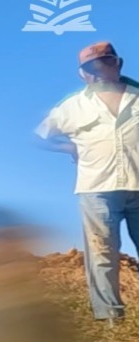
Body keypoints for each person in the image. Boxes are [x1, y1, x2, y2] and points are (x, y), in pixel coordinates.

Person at [35, 41, 139, 322]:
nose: (98, 71)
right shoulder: (73, 106)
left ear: (117, 63)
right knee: (103, 254)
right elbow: (41, 135)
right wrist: (70, 148)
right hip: (97, 189)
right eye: (90, 67)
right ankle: (111, 320)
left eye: (104, 63)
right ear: (83, 74)